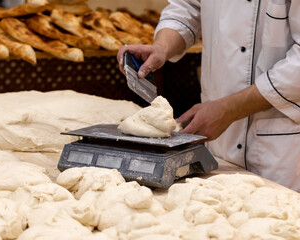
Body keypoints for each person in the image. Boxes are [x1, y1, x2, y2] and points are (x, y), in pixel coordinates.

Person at [117, 0, 300, 192]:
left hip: (281, 149)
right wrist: (162, 46)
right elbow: (188, 7)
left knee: (278, 215)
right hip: (220, 142)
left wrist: (230, 109)